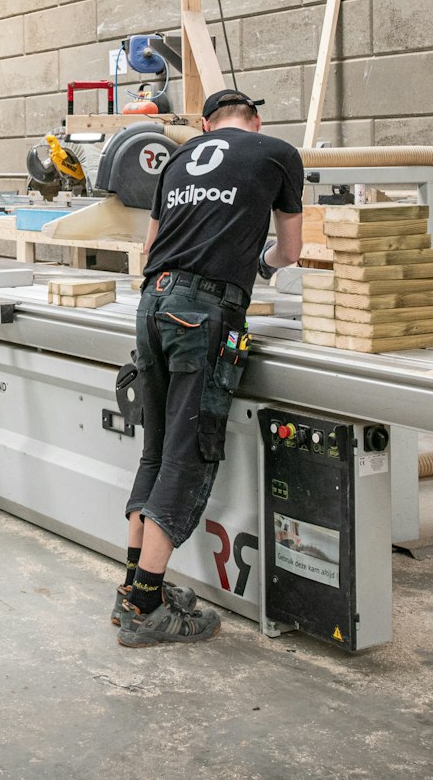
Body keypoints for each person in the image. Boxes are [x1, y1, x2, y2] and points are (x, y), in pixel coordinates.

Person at [115, 88, 305, 647]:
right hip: (202, 315)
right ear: (256, 120)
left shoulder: (178, 158)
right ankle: (146, 608)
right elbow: (290, 251)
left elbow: (151, 249)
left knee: (157, 448)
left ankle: (133, 589)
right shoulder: (277, 152)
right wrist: (260, 265)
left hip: (152, 305)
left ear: (206, 125)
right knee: (187, 453)